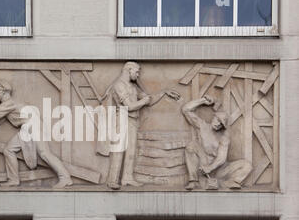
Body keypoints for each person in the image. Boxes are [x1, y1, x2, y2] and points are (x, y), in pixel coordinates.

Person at [0, 80, 73, 188]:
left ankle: (65, 177)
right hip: (26, 129)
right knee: (8, 150)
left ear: (4, 91)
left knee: (44, 153)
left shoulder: (9, 104)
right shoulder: (6, 108)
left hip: (33, 126)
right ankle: (13, 180)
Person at [107, 62, 181, 190]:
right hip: (122, 119)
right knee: (119, 150)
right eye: (136, 72)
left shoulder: (132, 86)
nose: (138, 74)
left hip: (133, 121)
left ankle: (127, 178)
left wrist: (164, 93)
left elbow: (149, 100)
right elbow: (129, 106)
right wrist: (143, 101)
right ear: (129, 70)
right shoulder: (119, 85)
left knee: (132, 151)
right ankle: (112, 180)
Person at [182, 95, 252, 190]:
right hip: (203, 164)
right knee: (192, 146)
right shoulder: (202, 126)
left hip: (219, 169)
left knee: (246, 165)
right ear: (213, 117)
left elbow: (221, 159)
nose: (218, 124)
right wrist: (203, 101)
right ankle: (193, 181)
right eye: (217, 120)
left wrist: (210, 168)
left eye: (221, 124)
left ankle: (230, 182)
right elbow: (186, 109)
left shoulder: (224, 138)